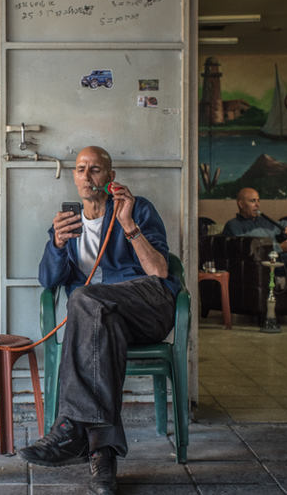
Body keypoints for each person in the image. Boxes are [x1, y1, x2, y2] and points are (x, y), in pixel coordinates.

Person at [18, 146, 182, 495]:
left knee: (83, 298)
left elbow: (159, 271)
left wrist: (128, 224)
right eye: (80, 169)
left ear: (110, 177)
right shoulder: (69, 223)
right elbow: (48, 281)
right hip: (105, 323)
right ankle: (102, 459)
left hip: (150, 308)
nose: (87, 175)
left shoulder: (137, 209)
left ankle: (70, 428)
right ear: (74, 177)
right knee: (95, 318)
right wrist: (58, 245)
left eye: (95, 169)